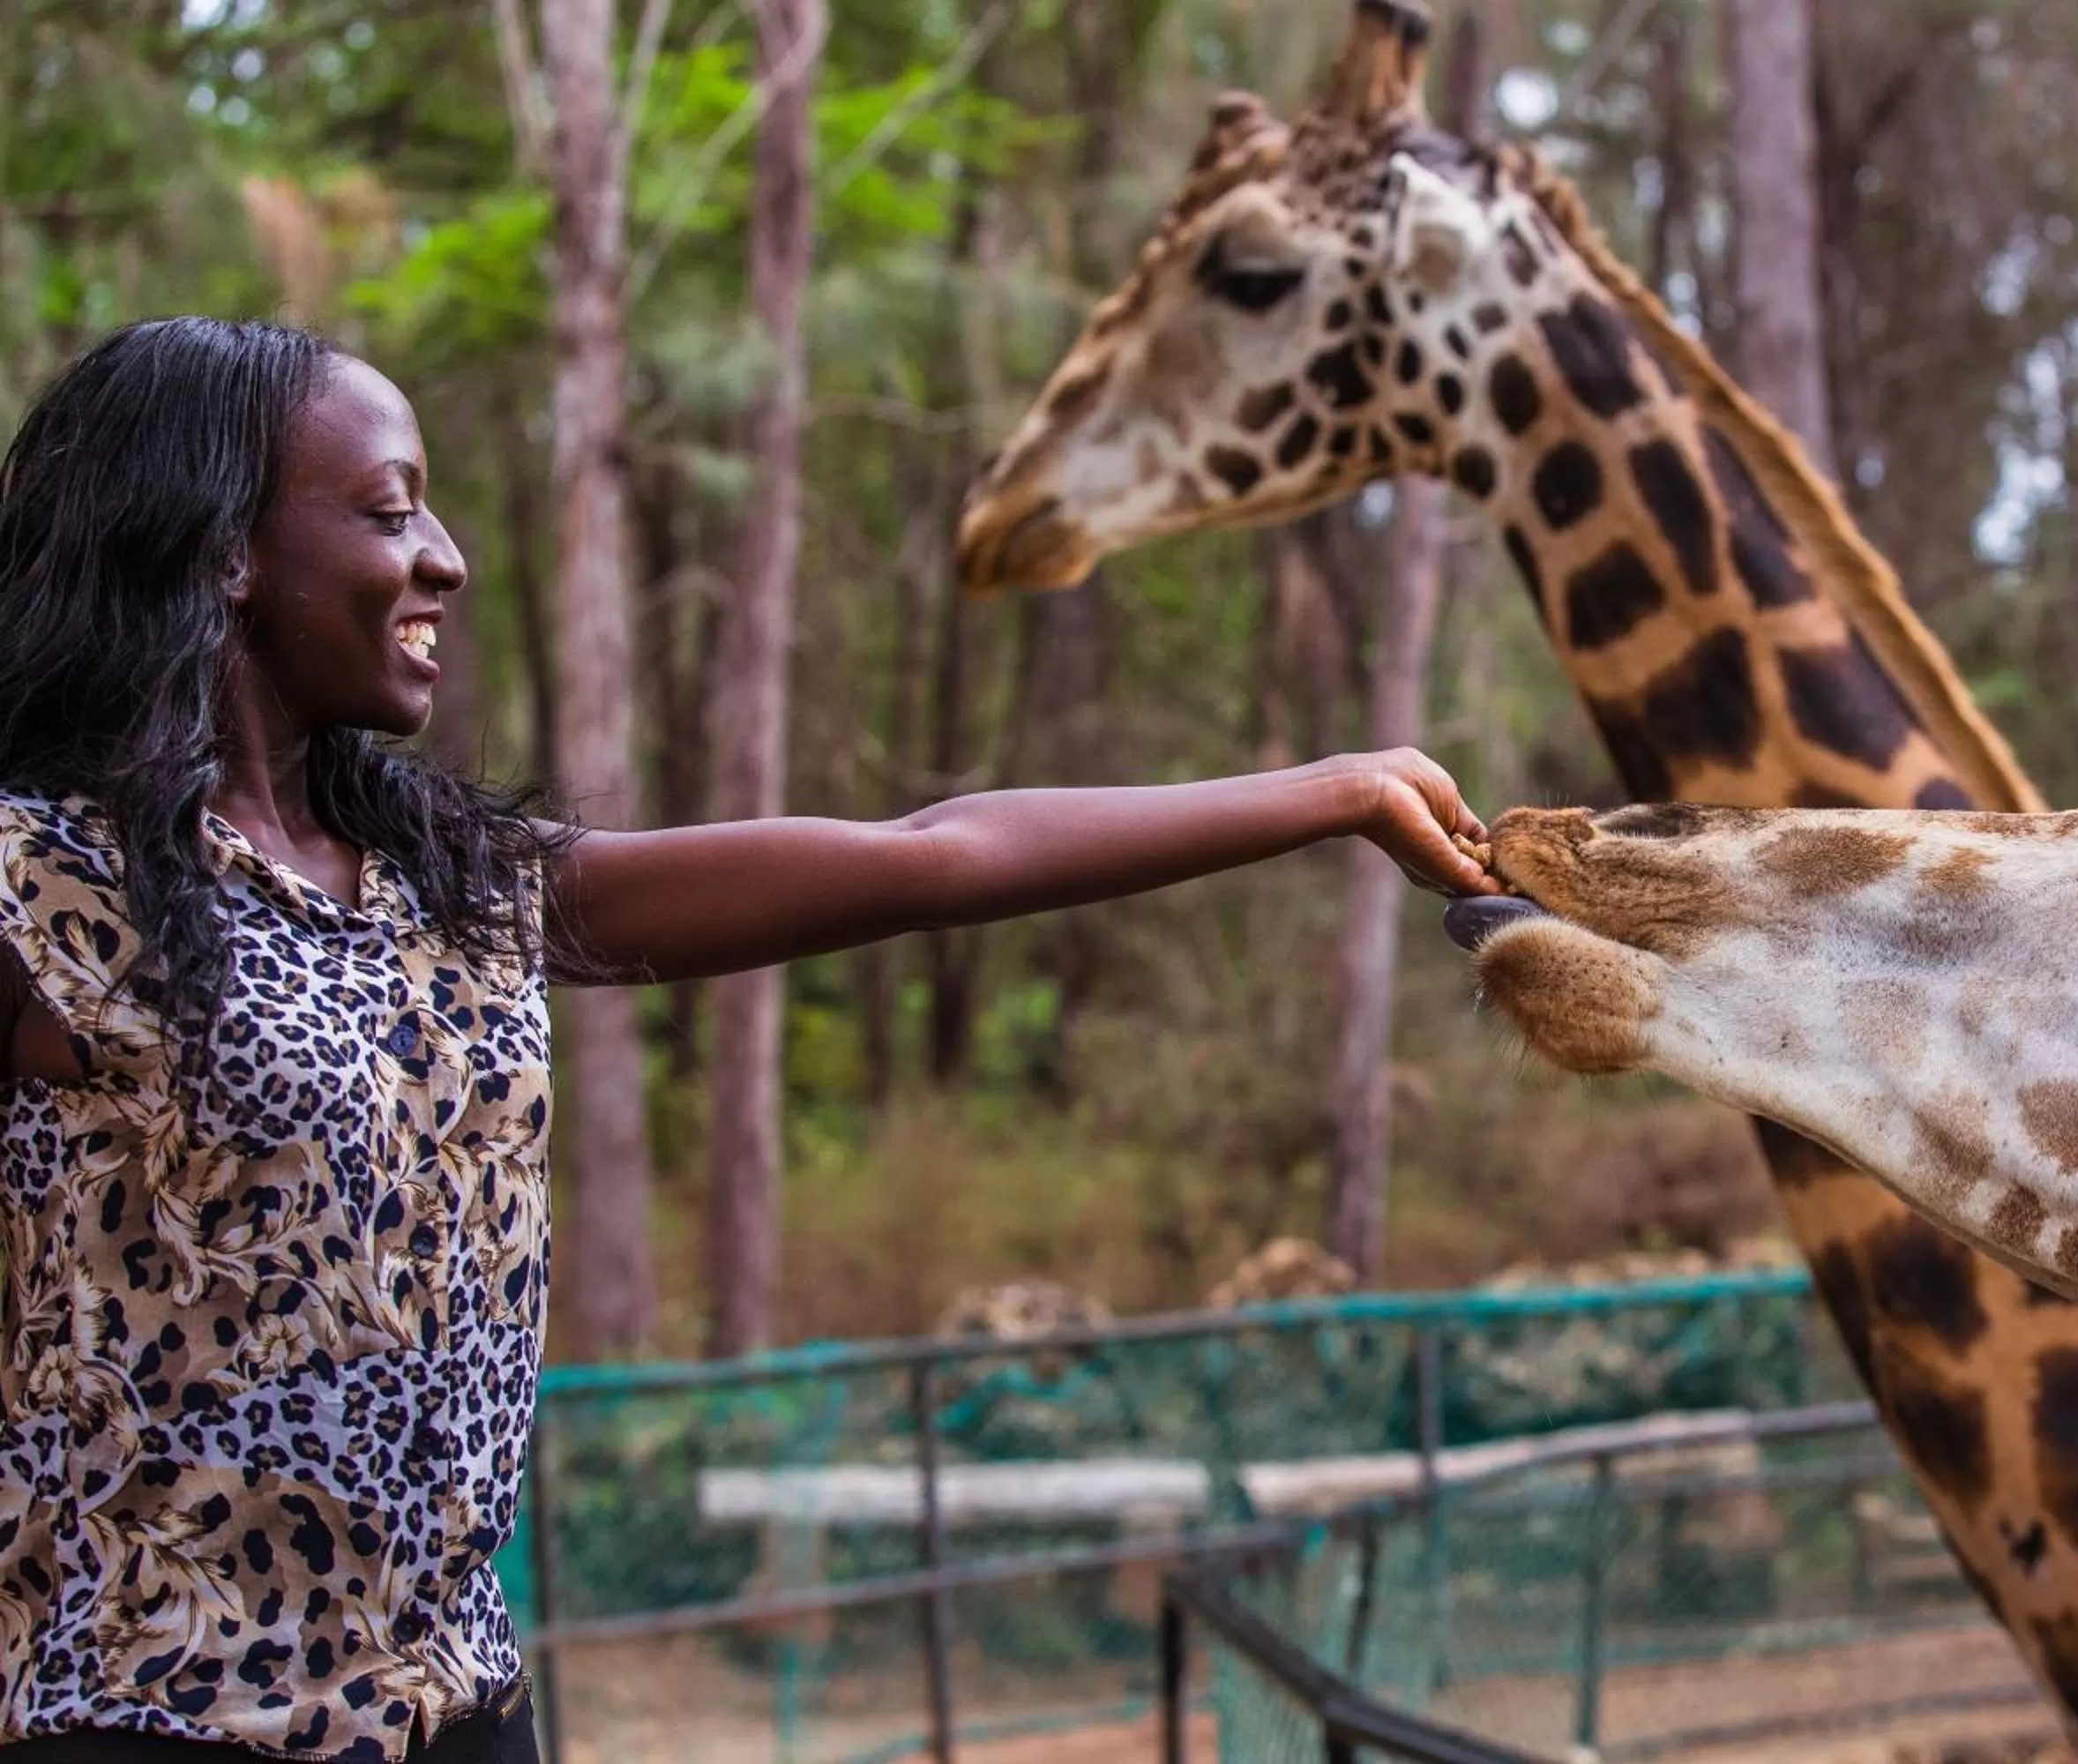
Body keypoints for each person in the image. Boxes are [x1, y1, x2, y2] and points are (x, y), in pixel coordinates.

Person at [0, 318, 1498, 1762]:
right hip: (145, 1723)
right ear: (226, 549)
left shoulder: (448, 887)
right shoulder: (38, 887)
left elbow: (932, 857)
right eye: (391, 514)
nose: (445, 557)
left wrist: (1337, 792)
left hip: (458, 1712)